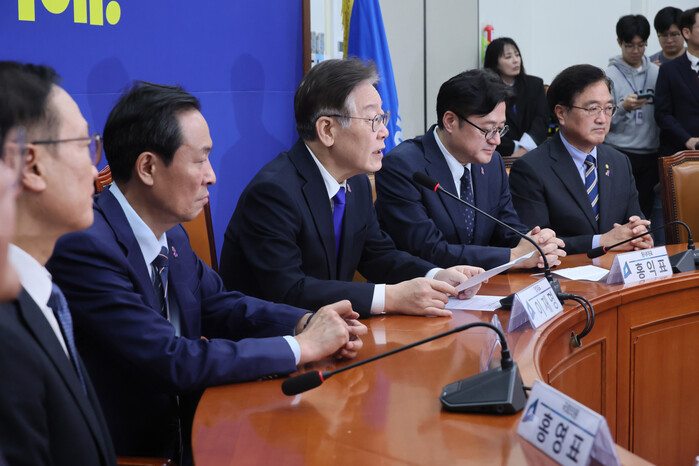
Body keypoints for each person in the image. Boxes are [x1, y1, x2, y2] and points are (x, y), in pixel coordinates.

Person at [47, 81, 367, 465]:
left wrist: (305, 322)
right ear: (148, 167)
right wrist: (303, 347)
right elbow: (170, 358)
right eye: (200, 161)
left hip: (197, 430)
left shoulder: (172, 234)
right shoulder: (86, 247)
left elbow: (221, 304)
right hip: (136, 454)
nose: (212, 176)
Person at [220, 58, 484, 319]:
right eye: (373, 120)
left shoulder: (356, 182)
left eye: (383, 118)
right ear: (327, 130)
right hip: (269, 337)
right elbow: (289, 290)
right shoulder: (273, 193)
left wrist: (436, 275)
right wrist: (391, 297)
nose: (385, 132)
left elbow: (377, 255)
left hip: (333, 331)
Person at [0, 62, 116, 466]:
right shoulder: (5, 335)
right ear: (31, 165)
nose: (94, 169)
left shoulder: (44, 294)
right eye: (84, 145)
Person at [374, 69, 565, 271]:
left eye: (500, 129)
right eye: (488, 130)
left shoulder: (492, 163)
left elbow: (506, 229)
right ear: (450, 121)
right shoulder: (403, 166)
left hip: (478, 285)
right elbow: (429, 249)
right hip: (420, 285)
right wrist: (515, 256)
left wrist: (536, 243)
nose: (496, 140)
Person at [509, 64, 653, 256]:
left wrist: (640, 235)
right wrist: (600, 242)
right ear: (561, 113)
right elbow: (535, 246)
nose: (602, 119)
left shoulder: (619, 162)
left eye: (608, 108)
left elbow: (636, 222)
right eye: (593, 109)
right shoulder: (531, 168)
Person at [604, 15, 660, 219]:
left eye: (641, 45)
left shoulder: (656, 72)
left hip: (651, 153)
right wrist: (622, 108)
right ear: (619, 42)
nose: (636, 51)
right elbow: (600, 120)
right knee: (617, 210)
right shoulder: (608, 76)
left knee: (644, 212)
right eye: (629, 45)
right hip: (618, 151)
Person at [483, 37, 550, 158]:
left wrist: (523, 149)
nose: (515, 60)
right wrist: (514, 148)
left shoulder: (535, 84)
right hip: (499, 154)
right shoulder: (486, 90)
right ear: (495, 62)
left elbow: (541, 121)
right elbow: (487, 126)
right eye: (508, 57)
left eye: (517, 55)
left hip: (534, 152)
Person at [655, 7, 699, 158]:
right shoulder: (668, 70)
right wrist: (687, 139)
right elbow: (662, 114)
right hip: (679, 152)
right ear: (686, 32)